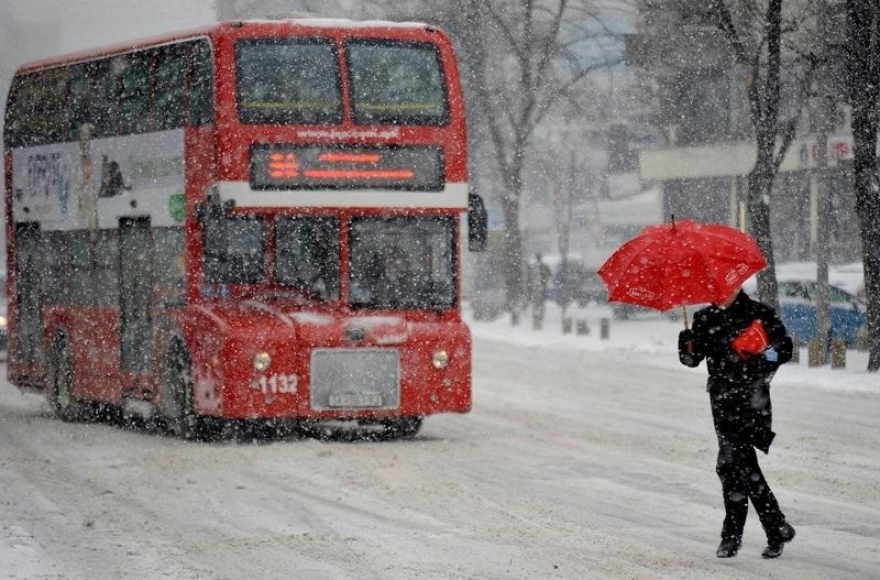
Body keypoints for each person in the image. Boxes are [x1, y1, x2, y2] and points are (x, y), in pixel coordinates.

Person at [678, 286, 797, 559]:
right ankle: (775, 527)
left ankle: (735, 536)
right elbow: (692, 360)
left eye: (725, 288)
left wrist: (760, 352)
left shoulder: (759, 313)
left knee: (730, 464)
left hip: (753, 399)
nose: (719, 293)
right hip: (722, 401)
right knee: (737, 464)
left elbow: (784, 350)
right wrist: (687, 343)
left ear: (737, 285)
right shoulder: (704, 318)